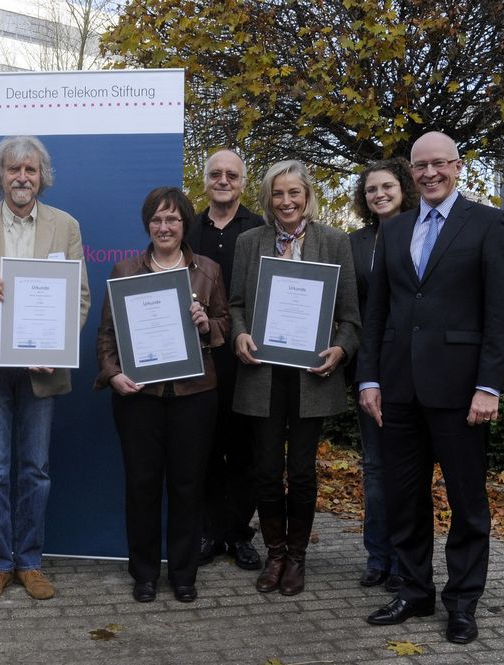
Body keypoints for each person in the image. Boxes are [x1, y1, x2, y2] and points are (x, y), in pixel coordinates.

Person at [357, 132, 504, 644]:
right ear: (412, 170)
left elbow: (500, 315)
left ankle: (463, 601)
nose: (429, 173)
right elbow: (378, 311)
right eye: (420, 166)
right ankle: (414, 588)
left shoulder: (489, 223)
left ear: (457, 166)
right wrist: (370, 376)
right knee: (406, 497)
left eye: (439, 164)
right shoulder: (398, 228)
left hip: (460, 390)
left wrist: (489, 386)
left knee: (467, 501)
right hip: (399, 388)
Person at [0, 135, 90, 604]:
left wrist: (57, 344)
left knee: (35, 470)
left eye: (30, 170)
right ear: (0, 175)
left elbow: (80, 297)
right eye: (14, 170)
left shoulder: (65, 226)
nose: (22, 178)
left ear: (41, 176)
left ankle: (29, 561)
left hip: (41, 368)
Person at [228, 160, 360, 597]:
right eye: (278, 194)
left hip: (312, 377)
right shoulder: (251, 242)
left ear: (307, 197)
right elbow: (236, 305)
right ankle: (276, 553)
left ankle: (298, 558)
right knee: (265, 471)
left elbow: (350, 318)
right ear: (267, 198)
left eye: (294, 194)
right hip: (262, 375)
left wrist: (340, 349)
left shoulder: (334, 242)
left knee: (301, 473)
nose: (286, 202)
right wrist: (241, 333)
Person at [96, 187, 229, 603]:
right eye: (157, 219)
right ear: (147, 224)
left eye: (172, 219)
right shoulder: (124, 270)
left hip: (195, 394)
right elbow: (107, 334)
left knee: (189, 486)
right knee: (142, 485)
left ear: (185, 223)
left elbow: (225, 323)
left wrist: (207, 324)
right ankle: (145, 573)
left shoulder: (208, 270)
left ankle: (184, 574)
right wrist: (112, 374)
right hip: (139, 396)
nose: (165, 226)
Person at [187, 149, 265, 570]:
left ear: (242, 181)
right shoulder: (187, 230)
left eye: (231, 175)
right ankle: (208, 531)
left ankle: (238, 534)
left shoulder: (259, 230)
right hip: (195, 358)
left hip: (244, 357)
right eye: (215, 174)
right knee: (202, 449)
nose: (223, 180)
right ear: (205, 181)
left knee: (244, 452)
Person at [348, 158, 419, 592]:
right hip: (369, 367)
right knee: (374, 467)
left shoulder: (423, 230)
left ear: (403, 188)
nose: (379, 194)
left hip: (414, 367)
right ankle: (378, 557)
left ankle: (405, 561)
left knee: (406, 469)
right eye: (371, 189)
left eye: (387, 186)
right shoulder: (353, 243)